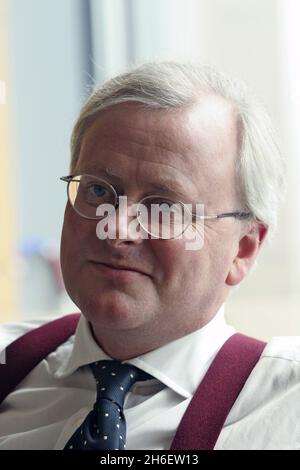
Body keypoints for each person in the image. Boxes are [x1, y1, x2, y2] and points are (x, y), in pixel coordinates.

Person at [0, 60, 297, 451]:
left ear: (243, 249)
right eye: (99, 191)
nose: (117, 228)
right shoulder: (9, 359)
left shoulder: (285, 407)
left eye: (166, 208)